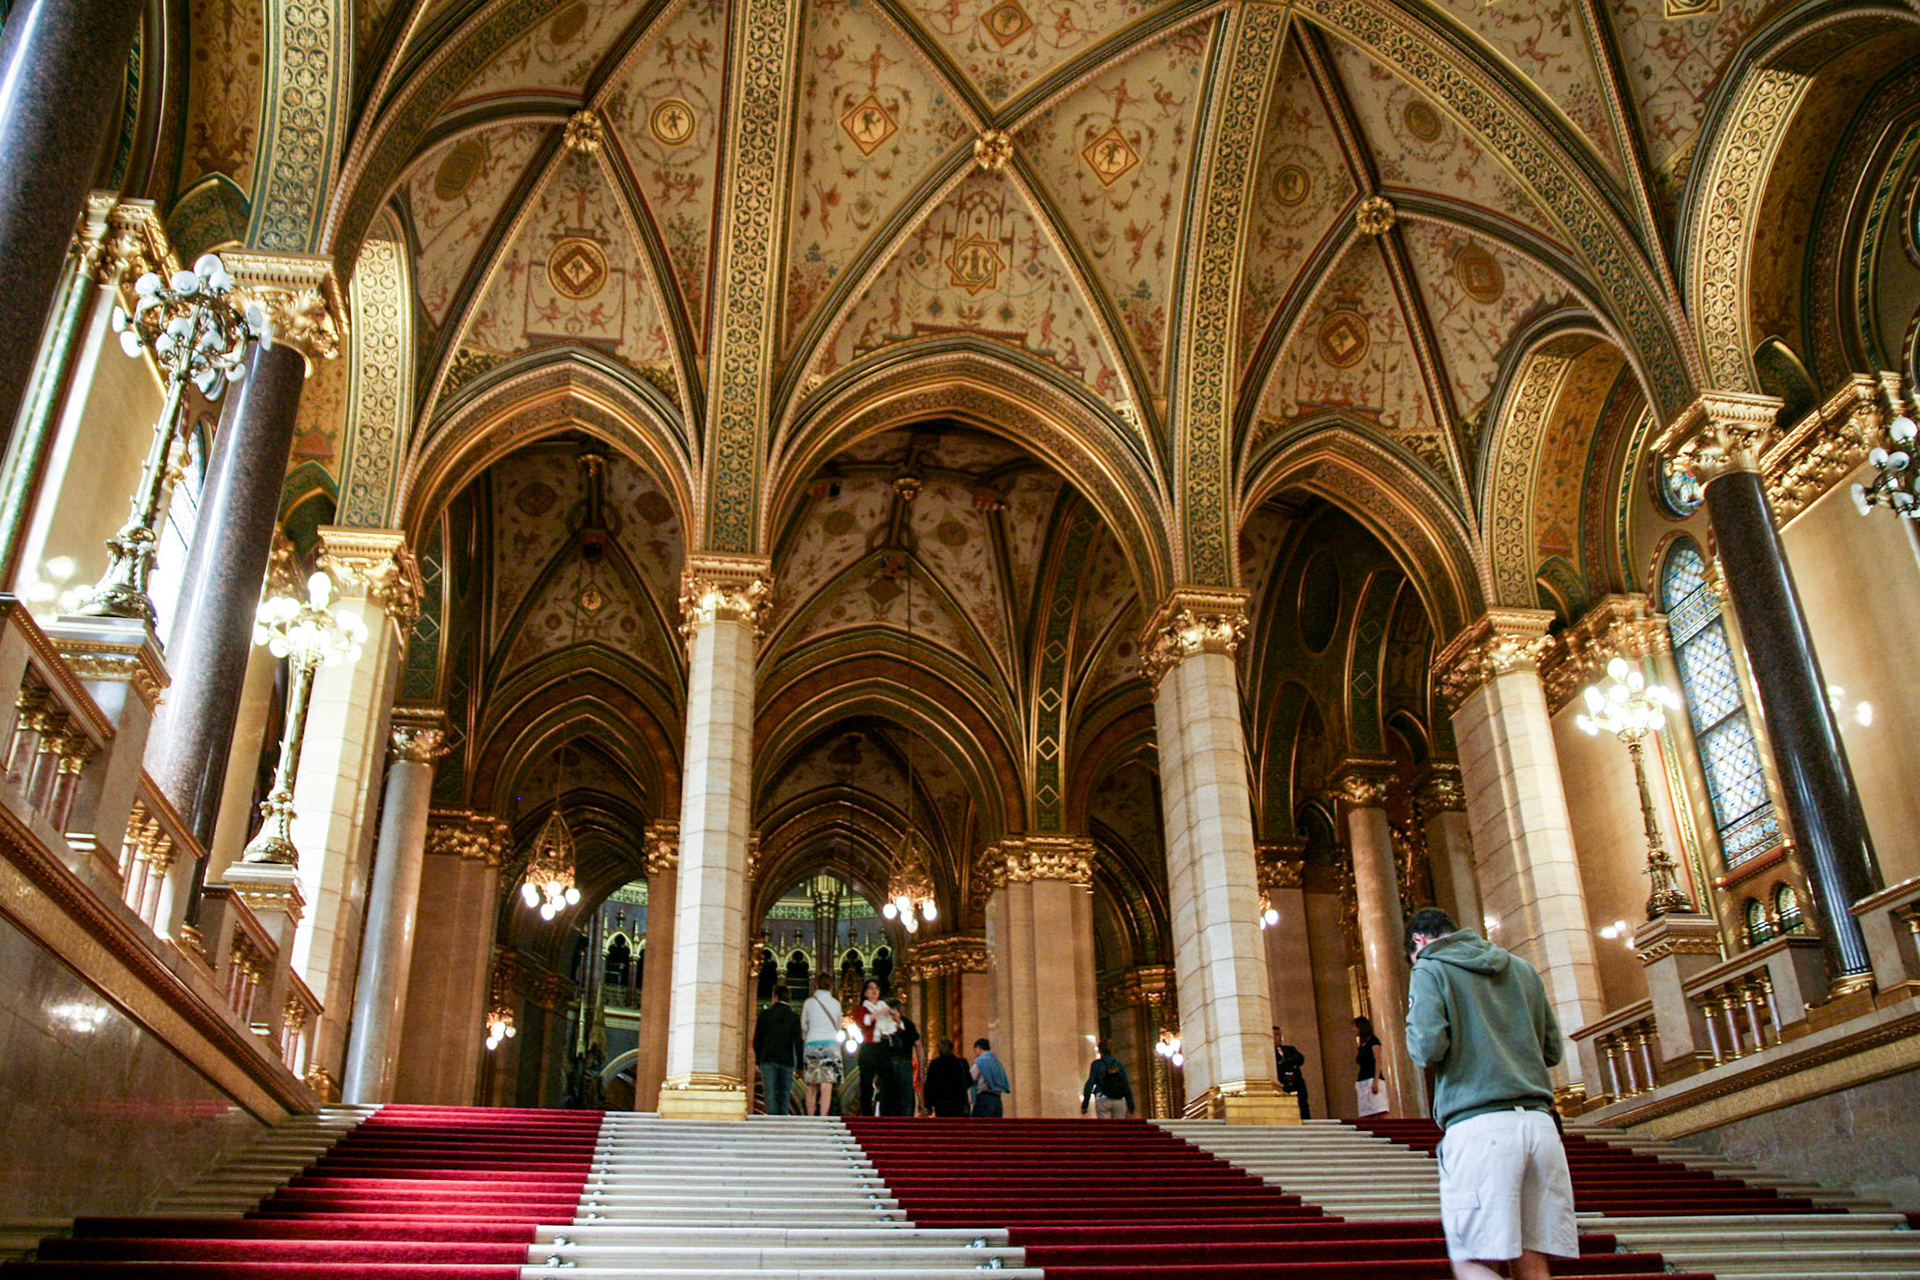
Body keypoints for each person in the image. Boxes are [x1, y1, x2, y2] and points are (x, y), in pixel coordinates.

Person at [1406, 906, 1577, 1280]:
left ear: (1419, 940)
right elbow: (1552, 1051)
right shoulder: (1522, 969)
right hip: (1540, 1125)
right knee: (1531, 1259)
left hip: (1479, 1125)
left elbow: (1427, 1047)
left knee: (1470, 1258)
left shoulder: (1429, 968)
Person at [752, 983, 804, 1115]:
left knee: (770, 1093)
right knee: (784, 1095)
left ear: (775, 997)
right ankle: (782, 1121)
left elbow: (757, 1039)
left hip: (768, 1059)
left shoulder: (765, 1014)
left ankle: (772, 1121)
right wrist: (800, 1067)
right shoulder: (794, 1016)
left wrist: (758, 1059)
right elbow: (798, 1042)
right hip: (786, 1061)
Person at [799, 972, 844, 1117]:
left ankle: (810, 1117)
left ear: (815, 985)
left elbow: (803, 1025)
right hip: (831, 1045)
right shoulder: (836, 1004)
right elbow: (838, 1026)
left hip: (812, 1042)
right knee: (827, 1083)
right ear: (831, 986)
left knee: (812, 1084)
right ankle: (823, 1116)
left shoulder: (809, 1003)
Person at [853, 979, 895, 1116]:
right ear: (865, 993)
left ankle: (887, 1113)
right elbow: (864, 1021)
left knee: (887, 1082)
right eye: (871, 988)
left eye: (877, 988)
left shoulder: (885, 1007)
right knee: (866, 1083)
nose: (874, 991)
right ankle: (866, 1114)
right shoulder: (862, 1008)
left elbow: (894, 1027)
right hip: (869, 1046)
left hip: (884, 1046)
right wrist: (878, 1013)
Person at [880, 996, 922, 1116]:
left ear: (899, 1012)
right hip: (888, 1066)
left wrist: (921, 1070)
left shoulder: (908, 1025)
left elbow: (918, 1046)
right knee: (888, 1100)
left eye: (892, 1014)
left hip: (904, 1064)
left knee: (905, 1100)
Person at [1080, 1039, 1134, 1118]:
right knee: (1119, 1128)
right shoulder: (1118, 1064)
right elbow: (1126, 1084)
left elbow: (1090, 1083)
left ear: (1099, 1050)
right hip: (1119, 1099)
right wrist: (1131, 1105)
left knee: (1105, 1127)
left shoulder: (1097, 1064)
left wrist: (1085, 1104)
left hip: (1103, 1098)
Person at [923, 1039, 972, 1117]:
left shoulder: (935, 1064)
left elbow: (929, 1085)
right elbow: (969, 1082)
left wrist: (928, 1105)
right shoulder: (961, 1063)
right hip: (958, 1102)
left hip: (941, 1103)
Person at [1273, 1025, 1311, 1120]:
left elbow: (1300, 1059)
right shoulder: (1269, 1052)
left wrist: (1285, 1061)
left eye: (1280, 1034)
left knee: (1302, 1105)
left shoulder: (1290, 1049)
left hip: (1296, 1081)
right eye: (1276, 1035)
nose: (1279, 1037)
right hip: (1282, 1082)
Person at [1354, 1015, 1388, 1117]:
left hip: (1372, 1078)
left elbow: (1378, 1061)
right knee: (1366, 1112)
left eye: (1355, 1026)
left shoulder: (1373, 1041)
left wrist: (1376, 1081)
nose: (1353, 1029)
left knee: (1378, 1110)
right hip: (1363, 1079)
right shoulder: (1361, 1045)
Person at [969, 1037, 1009, 1116]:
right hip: (997, 1100)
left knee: (981, 1126)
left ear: (979, 1048)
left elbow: (970, 1078)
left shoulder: (980, 1062)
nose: (975, 1054)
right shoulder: (997, 1062)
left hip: (984, 1100)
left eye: (975, 1051)